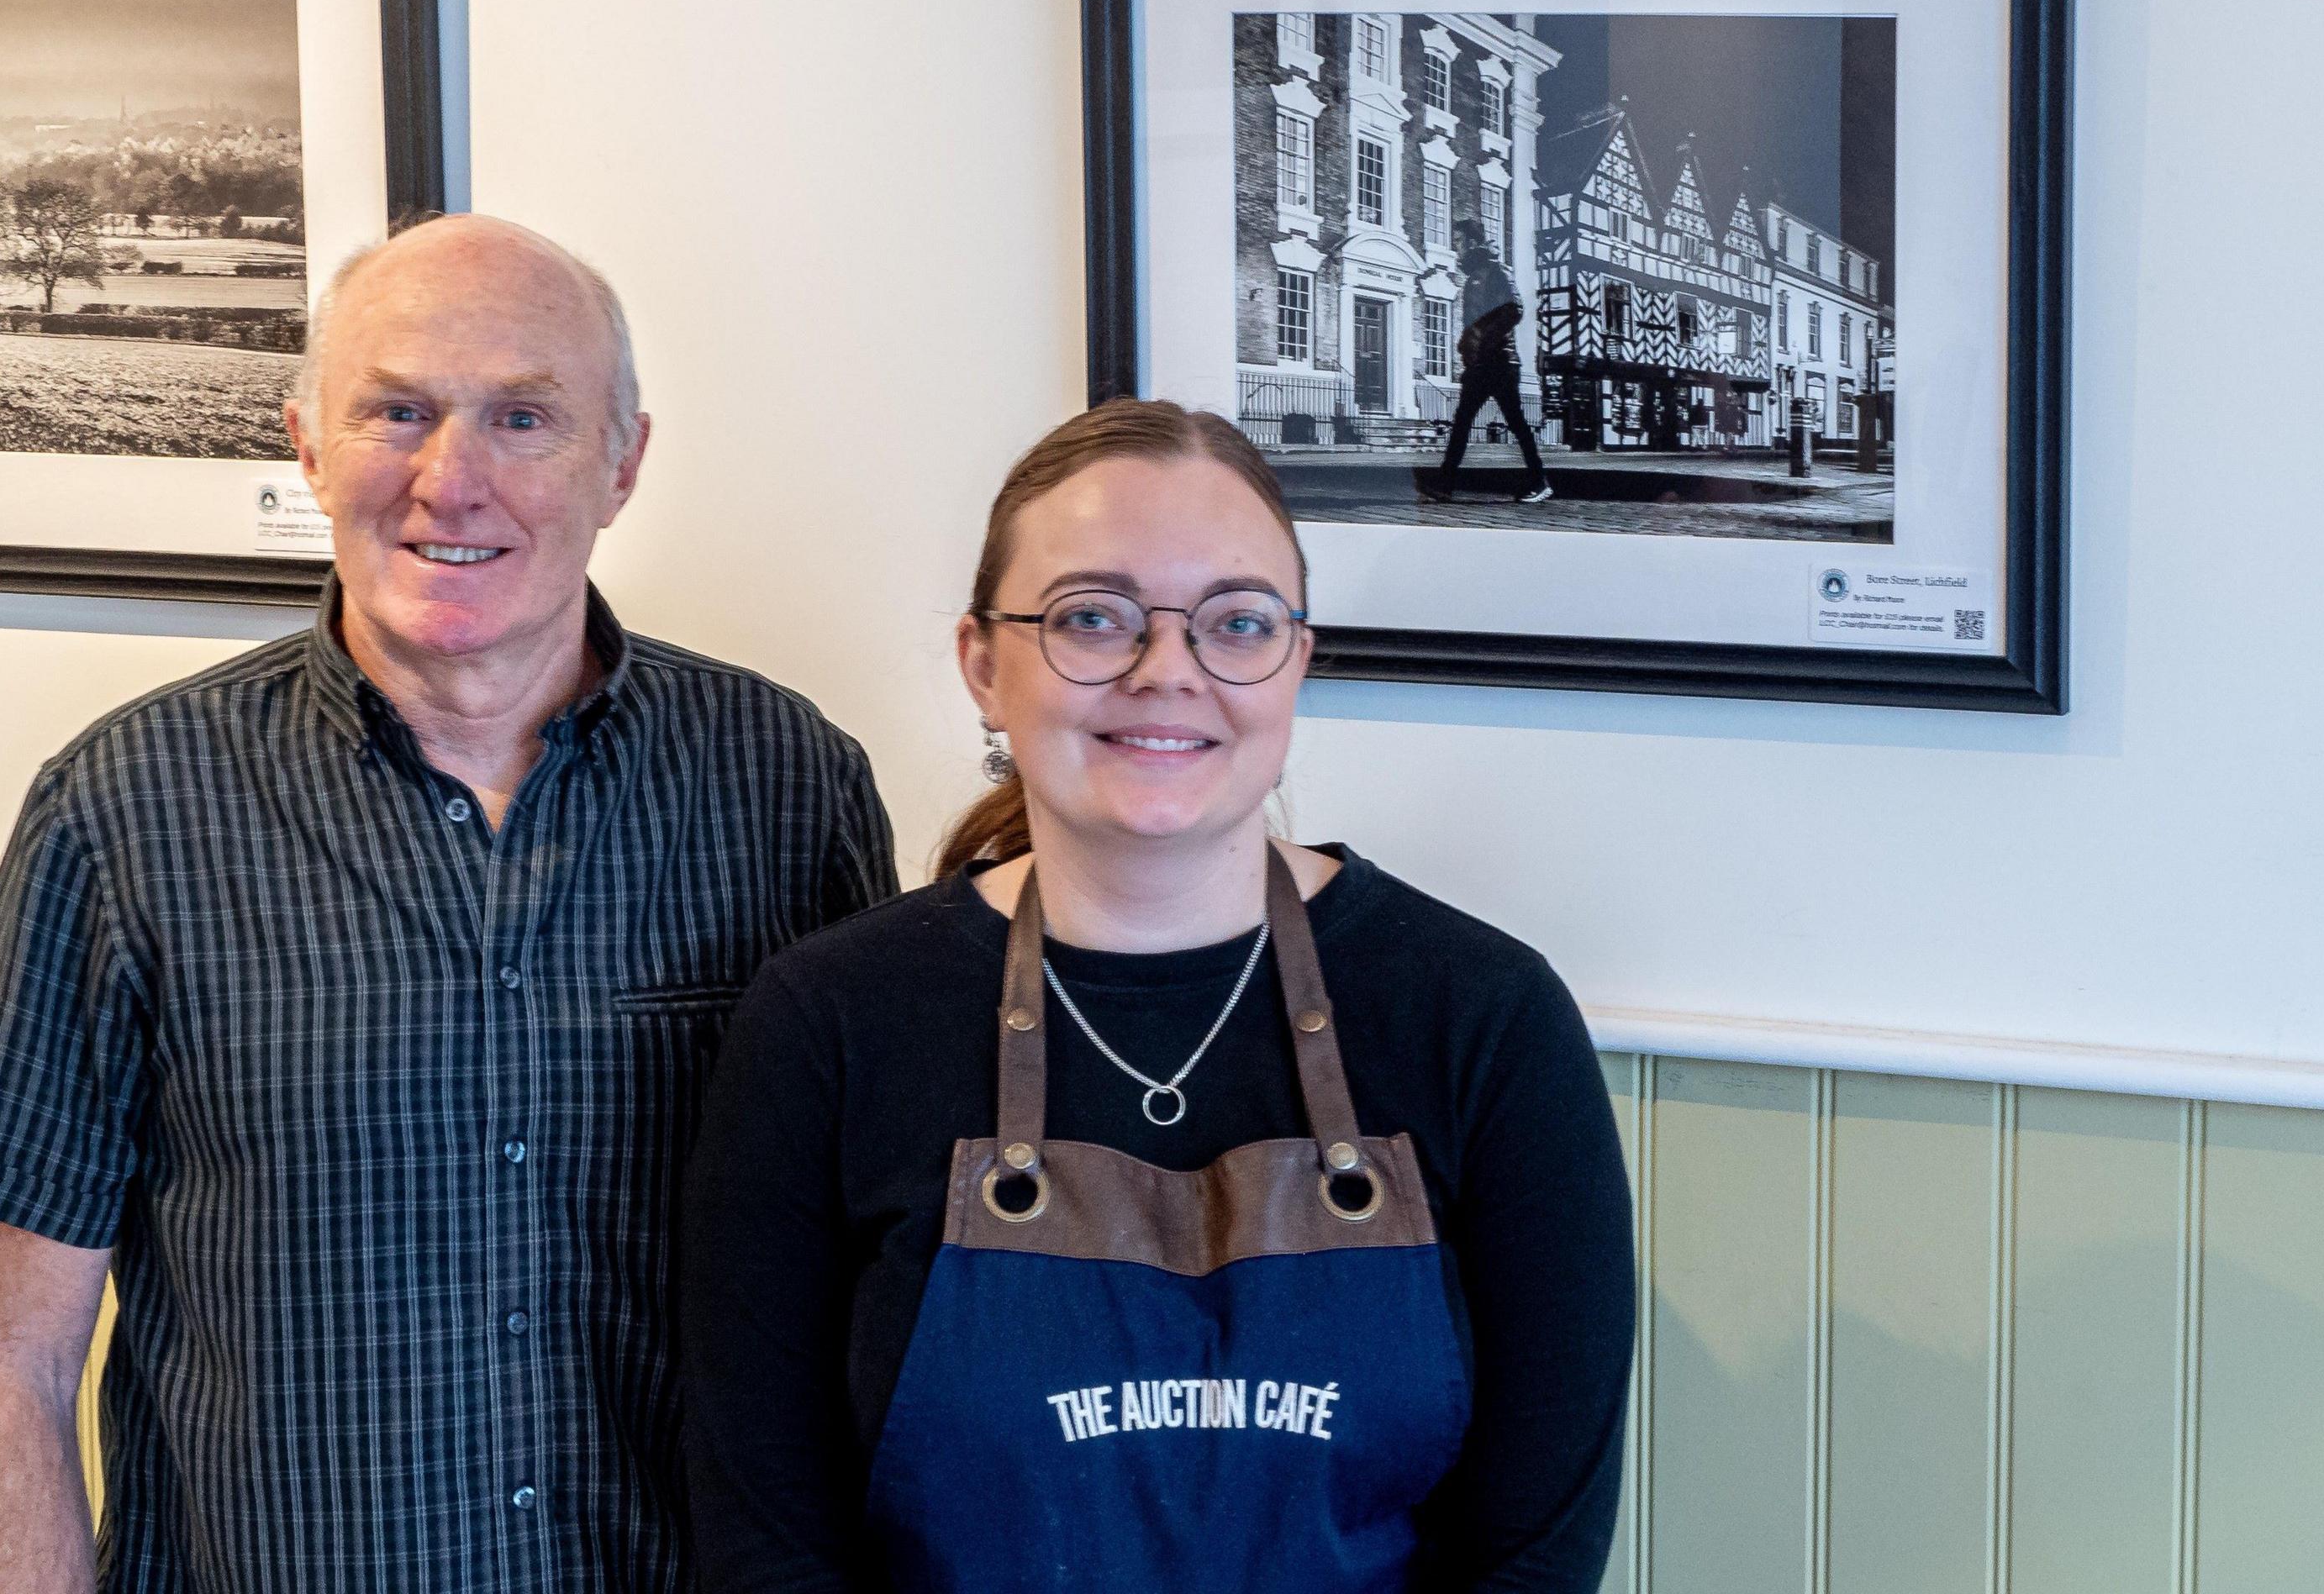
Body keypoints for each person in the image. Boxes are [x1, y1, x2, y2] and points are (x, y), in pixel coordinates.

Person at [0, 215, 897, 1592]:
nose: (450, 478)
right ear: (307, 442)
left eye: (523, 418)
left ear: (625, 463)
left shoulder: (787, 790)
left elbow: (868, 1299)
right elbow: (5, 1341)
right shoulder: (125, 811)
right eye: (398, 412)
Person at [681, 400, 1633, 1592]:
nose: (1165, 672)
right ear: (984, 664)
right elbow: (766, 1537)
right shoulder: (831, 1023)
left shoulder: (1484, 1018)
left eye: (1236, 624)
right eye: (1093, 618)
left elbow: (1532, 1555)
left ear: (1297, 660)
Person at [1429, 223, 1556, 504]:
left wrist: (1480, 338)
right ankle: (1444, 485)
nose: (1456, 246)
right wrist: (1468, 342)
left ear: (1474, 242)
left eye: (1460, 240)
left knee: (1517, 423)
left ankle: (1539, 482)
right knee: (1462, 422)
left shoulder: (1497, 272)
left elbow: (1514, 309)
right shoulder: (1475, 275)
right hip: (1480, 365)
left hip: (1500, 362)